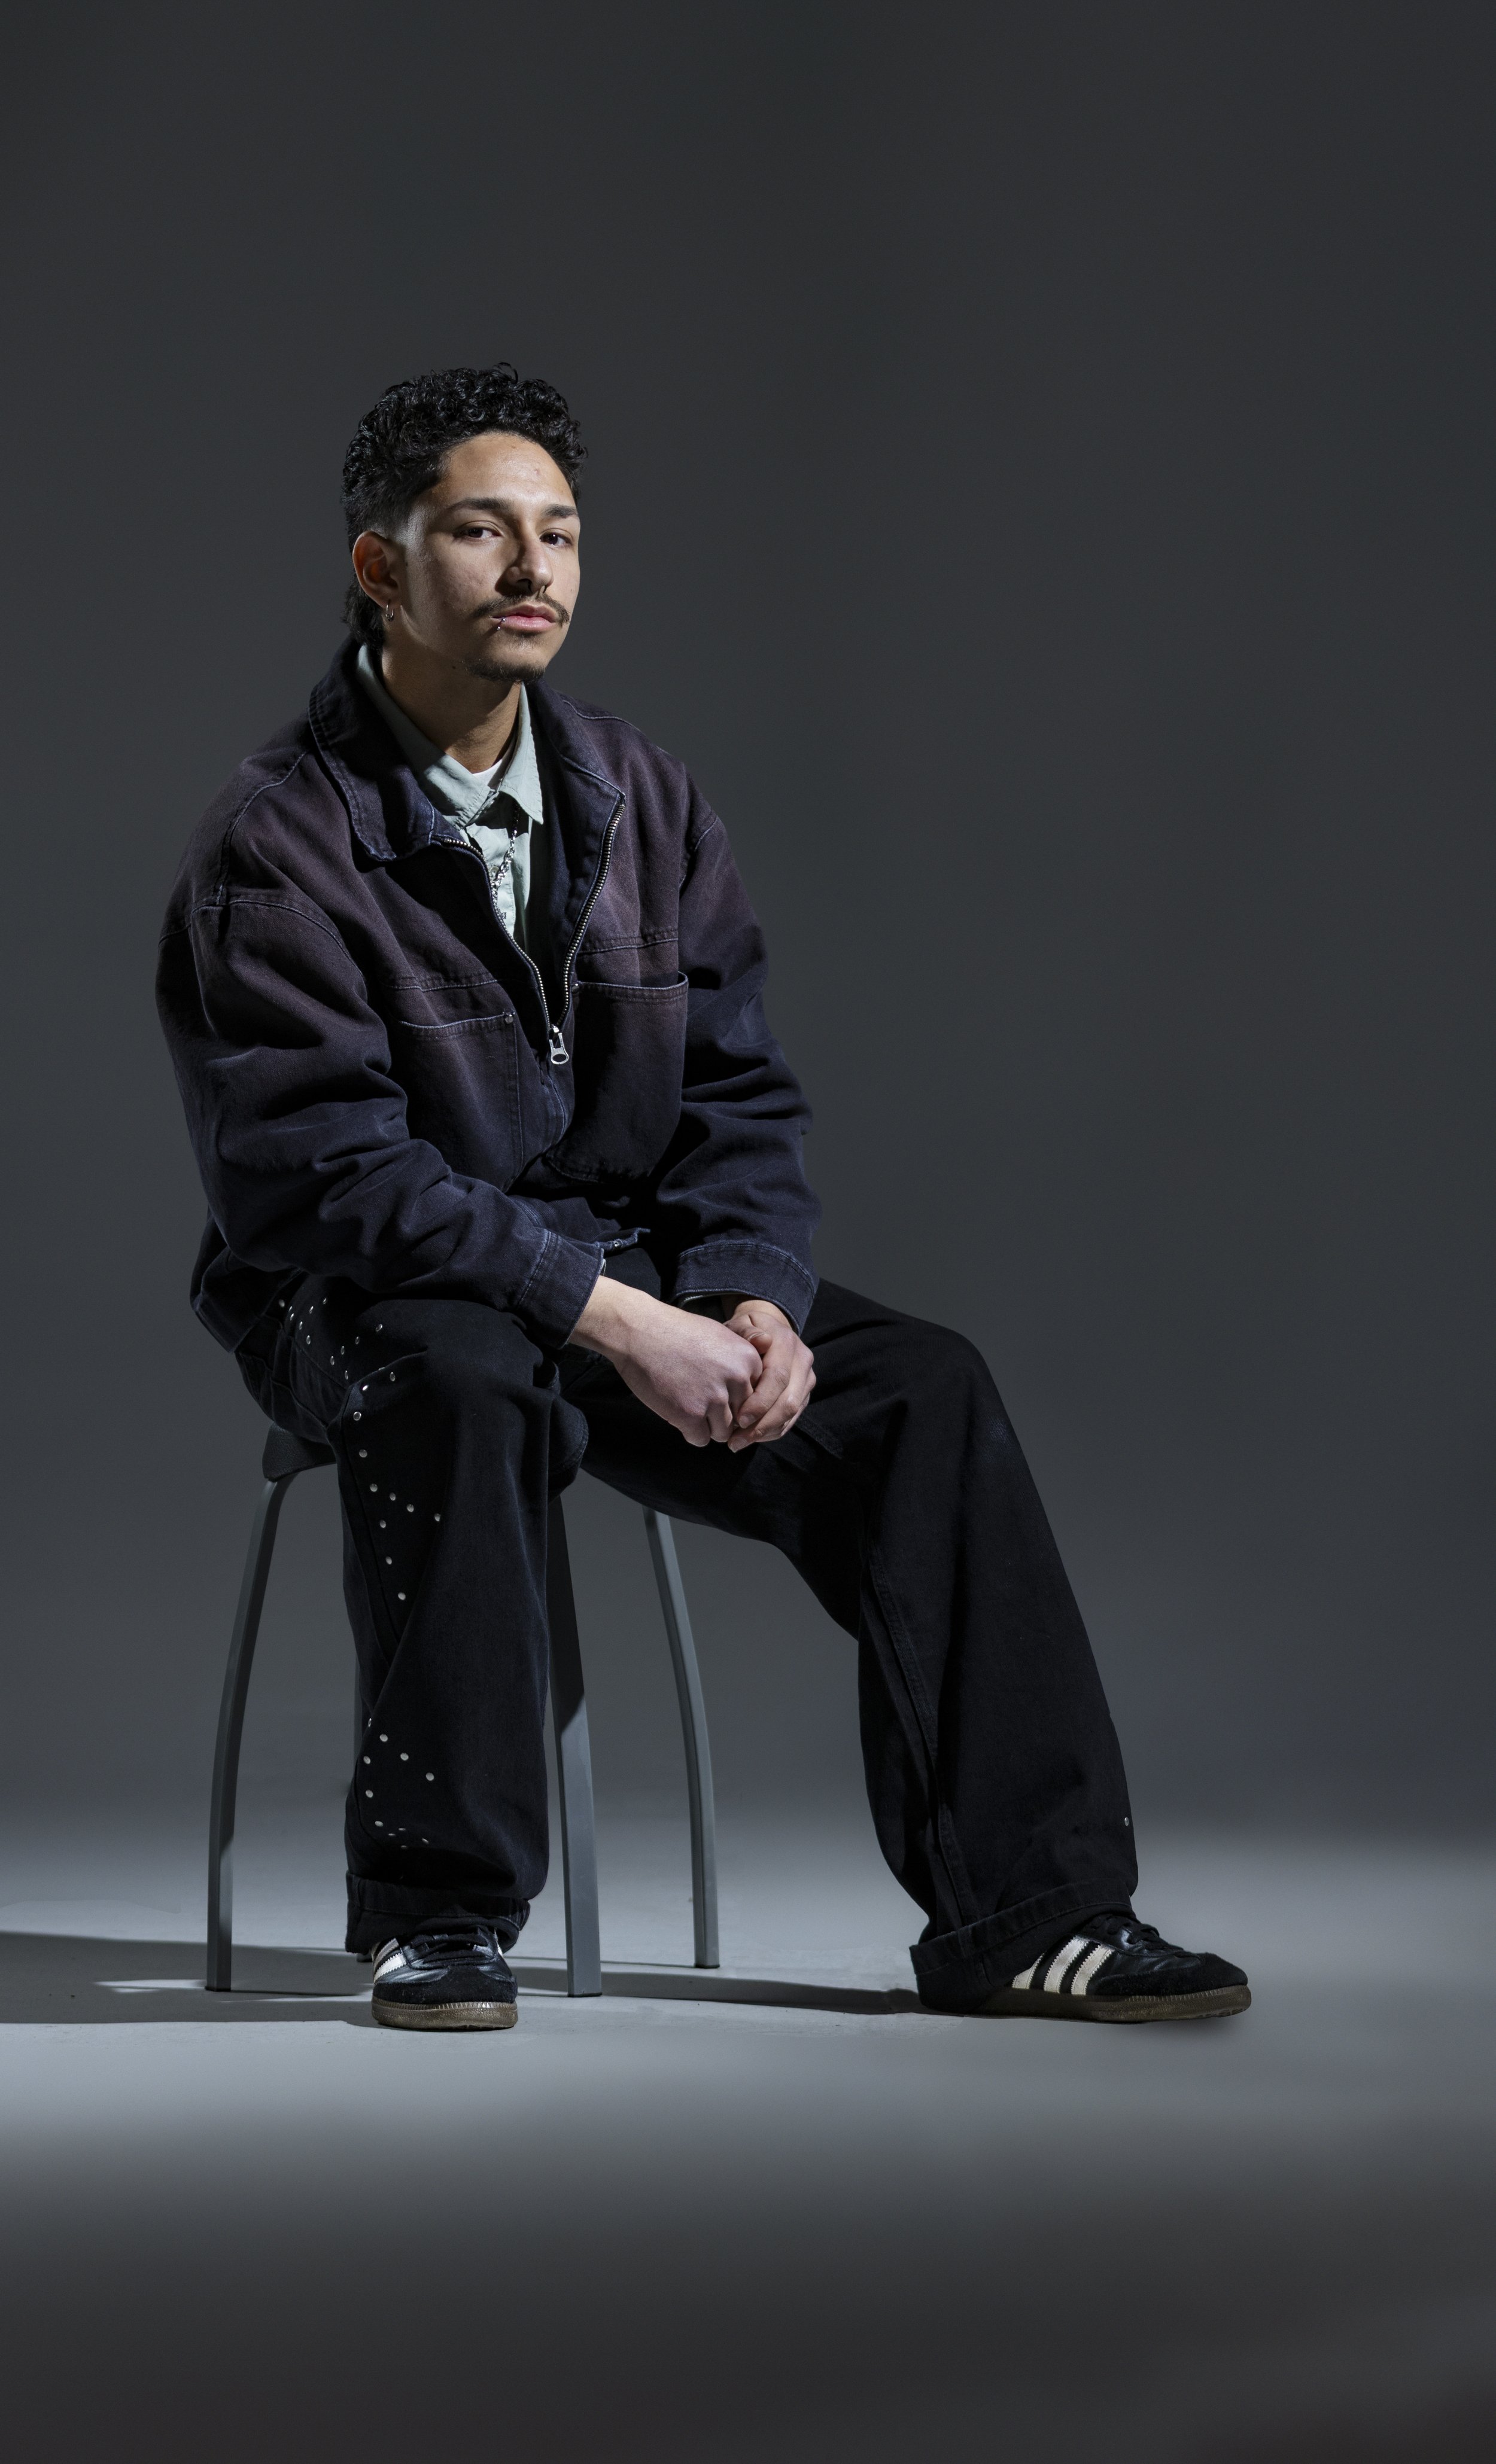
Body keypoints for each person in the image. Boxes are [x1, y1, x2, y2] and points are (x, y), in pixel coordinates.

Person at [157, 363, 1249, 2034]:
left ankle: (1029, 1909)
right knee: (458, 1371)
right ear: (382, 567)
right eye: (481, 531)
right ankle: (438, 1915)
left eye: (561, 535)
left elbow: (737, 1091)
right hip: (359, 1294)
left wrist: (748, 1292)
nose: (534, 570)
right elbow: (321, 1174)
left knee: (923, 1389)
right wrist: (614, 1318)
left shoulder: (639, 798)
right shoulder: (281, 839)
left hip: (629, 1275)